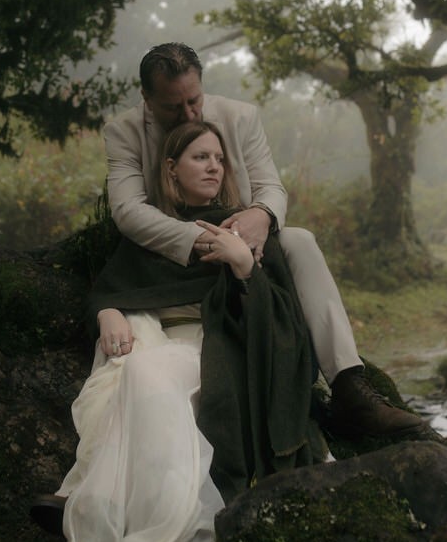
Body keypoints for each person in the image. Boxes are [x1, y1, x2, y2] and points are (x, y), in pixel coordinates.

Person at [25, 122, 317, 542]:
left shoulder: (247, 232)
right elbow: (108, 289)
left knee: (143, 371)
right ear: (171, 170)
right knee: (137, 372)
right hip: (156, 343)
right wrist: (109, 311)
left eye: (220, 159)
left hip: (220, 349)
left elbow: (287, 329)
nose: (214, 167)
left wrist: (245, 267)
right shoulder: (152, 234)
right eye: (200, 157)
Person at [104, 42, 424, 441]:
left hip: (249, 248)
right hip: (171, 259)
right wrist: (203, 238)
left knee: (301, 241)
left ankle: (349, 388)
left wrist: (262, 216)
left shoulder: (241, 117)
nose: (188, 114)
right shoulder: (123, 132)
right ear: (147, 99)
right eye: (173, 106)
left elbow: (271, 186)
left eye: (195, 100)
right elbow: (128, 211)